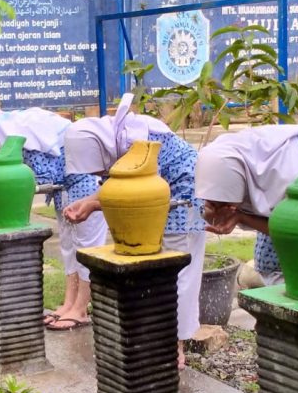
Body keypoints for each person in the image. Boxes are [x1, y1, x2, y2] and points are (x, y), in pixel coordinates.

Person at [62, 94, 205, 369]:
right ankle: (156, 336)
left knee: (178, 269)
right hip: (158, 196)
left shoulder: (136, 139)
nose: (99, 173)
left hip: (183, 198)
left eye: (98, 166)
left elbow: (137, 190)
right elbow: (121, 184)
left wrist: (93, 204)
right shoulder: (118, 138)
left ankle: (175, 346)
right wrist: (90, 202)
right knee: (155, 269)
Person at [0, 107, 107, 332]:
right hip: (64, 190)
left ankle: (80, 309)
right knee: (69, 248)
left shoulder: (25, 134)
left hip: (86, 188)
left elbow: (43, 178)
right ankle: (69, 304)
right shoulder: (17, 137)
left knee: (86, 249)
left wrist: (2, 186)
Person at [194, 125, 298, 288]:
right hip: (288, 229)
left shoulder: (289, 173)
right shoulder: (229, 161)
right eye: (211, 202)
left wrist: (242, 217)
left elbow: (297, 229)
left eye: (222, 204)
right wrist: (212, 212)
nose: (219, 209)